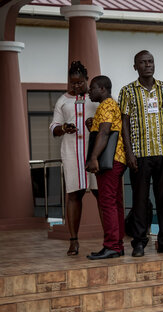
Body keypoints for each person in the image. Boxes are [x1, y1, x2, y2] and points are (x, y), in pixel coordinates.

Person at [119, 50, 163, 257]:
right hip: (139, 154)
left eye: (150, 61)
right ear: (135, 67)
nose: (148, 65)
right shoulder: (127, 91)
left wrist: (158, 129)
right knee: (140, 200)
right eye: (143, 62)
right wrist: (129, 153)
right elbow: (124, 123)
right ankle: (139, 243)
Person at [50, 61, 98, 256]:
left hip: (95, 151)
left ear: (87, 79)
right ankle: (73, 241)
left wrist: (95, 123)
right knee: (74, 194)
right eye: (73, 83)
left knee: (100, 194)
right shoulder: (63, 100)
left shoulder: (96, 97)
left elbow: (111, 120)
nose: (76, 86)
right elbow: (54, 125)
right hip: (71, 153)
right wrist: (64, 128)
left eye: (79, 82)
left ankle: (111, 240)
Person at [86, 76, 127, 260]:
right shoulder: (109, 106)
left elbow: (104, 133)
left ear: (102, 89)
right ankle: (117, 245)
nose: (89, 91)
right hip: (117, 159)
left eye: (92, 88)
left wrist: (93, 157)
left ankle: (111, 246)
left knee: (107, 203)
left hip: (109, 161)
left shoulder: (107, 105)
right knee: (115, 203)